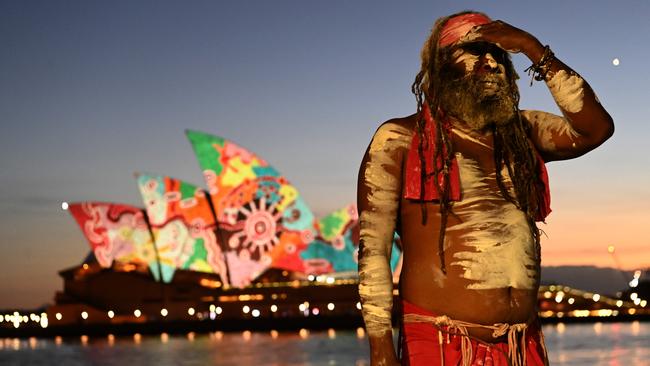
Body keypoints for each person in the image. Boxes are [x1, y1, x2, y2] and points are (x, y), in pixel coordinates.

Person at [357, 11, 614, 366]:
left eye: (500, 54)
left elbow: (595, 129)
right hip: (439, 341)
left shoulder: (521, 133)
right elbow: (373, 251)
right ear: (444, 64)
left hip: (522, 344)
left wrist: (533, 49)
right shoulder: (399, 137)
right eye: (477, 50)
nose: (492, 62)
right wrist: (381, 350)